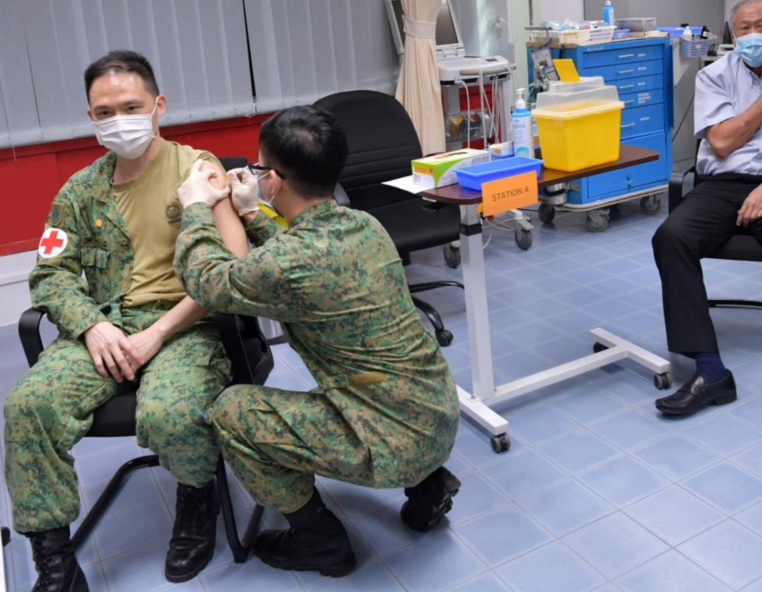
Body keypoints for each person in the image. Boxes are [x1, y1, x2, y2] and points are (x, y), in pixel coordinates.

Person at [173, 106, 461, 579]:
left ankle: (320, 542)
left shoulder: (288, 263)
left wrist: (197, 208)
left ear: (276, 179)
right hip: (436, 415)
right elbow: (299, 258)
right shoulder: (365, 227)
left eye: (262, 168)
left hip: (390, 439)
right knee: (364, 378)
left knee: (232, 412)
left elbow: (207, 280)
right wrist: (252, 212)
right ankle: (428, 486)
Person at [3, 51, 248, 592]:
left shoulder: (195, 168)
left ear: (158, 106)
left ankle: (195, 496)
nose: (118, 119)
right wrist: (92, 326)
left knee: (171, 412)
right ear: (91, 118)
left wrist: (157, 333)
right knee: (27, 407)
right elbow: (50, 275)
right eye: (104, 111)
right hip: (107, 324)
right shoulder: (79, 191)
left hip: (185, 323)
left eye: (131, 106)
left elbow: (230, 270)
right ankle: (56, 560)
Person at [652, 0, 762, 426]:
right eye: (744, 28)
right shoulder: (713, 75)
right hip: (721, 185)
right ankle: (709, 370)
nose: (753, 35)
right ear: (733, 33)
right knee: (670, 237)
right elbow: (722, 142)